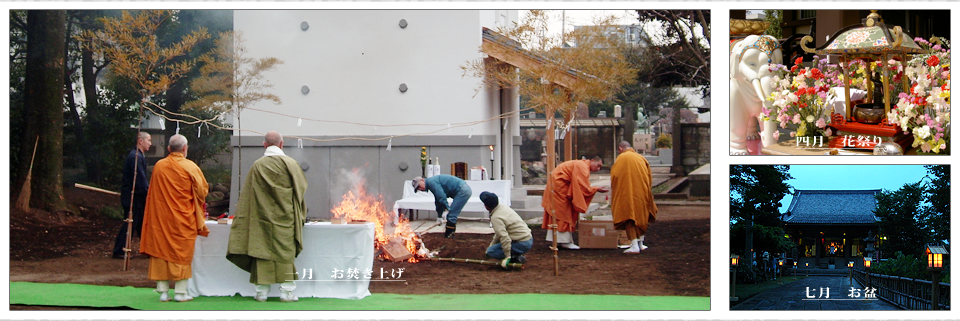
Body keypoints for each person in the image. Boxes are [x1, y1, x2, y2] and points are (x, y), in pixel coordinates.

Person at [227, 131, 308, 303]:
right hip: (285, 217)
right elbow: (301, 190)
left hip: (261, 217)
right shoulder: (291, 164)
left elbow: (248, 195)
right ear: (281, 144)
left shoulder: (258, 165)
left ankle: (261, 292)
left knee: (261, 252)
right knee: (285, 254)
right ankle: (287, 292)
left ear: (264, 145)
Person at [139, 134, 210, 302]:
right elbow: (202, 192)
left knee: (161, 252)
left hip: (161, 218)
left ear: (169, 149)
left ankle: (163, 292)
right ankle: (180, 292)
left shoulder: (159, 166)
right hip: (183, 218)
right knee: (181, 253)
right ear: (185, 149)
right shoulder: (190, 167)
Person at [541, 156, 608, 249]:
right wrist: (596, 188)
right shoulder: (583, 166)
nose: (598, 168)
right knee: (564, 213)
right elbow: (582, 186)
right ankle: (564, 241)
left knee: (560, 213)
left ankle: (559, 240)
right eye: (598, 165)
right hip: (559, 188)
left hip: (558, 186)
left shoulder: (582, 165)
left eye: (600, 167)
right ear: (592, 160)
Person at [610, 141, 658, 254]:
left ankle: (634, 244)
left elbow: (615, 176)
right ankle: (641, 243)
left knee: (629, 216)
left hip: (627, 193)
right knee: (641, 216)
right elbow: (649, 176)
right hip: (642, 193)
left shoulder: (622, 158)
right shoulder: (641, 158)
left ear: (620, 149)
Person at [112, 131, 152, 259]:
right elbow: (140, 180)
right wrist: (148, 194)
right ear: (141, 141)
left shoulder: (138, 156)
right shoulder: (135, 157)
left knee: (139, 224)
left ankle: (148, 248)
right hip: (133, 197)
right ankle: (119, 250)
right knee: (131, 223)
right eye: (149, 140)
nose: (150, 143)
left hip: (136, 197)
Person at [481, 191, 532, 269]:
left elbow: (503, 237)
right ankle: (515, 255)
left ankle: (514, 258)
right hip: (529, 239)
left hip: (521, 243)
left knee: (492, 251)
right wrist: (491, 245)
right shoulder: (503, 208)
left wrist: (507, 256)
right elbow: (499, 234)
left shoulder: (496, 217)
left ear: (486, 206)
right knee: (491, 250)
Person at [411, 174, 472, 238]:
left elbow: (441, 196)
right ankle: (449, 235)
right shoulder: (431, 183)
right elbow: (438, 201)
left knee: (451, 216)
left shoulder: (432, 182)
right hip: (462, 189)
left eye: (419, 186)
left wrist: (446, 209)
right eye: (418, 189)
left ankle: (449, 237)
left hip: (463, 190)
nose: (420, 189)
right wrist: (439, 216)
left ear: (422, 180)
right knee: (451, 215)